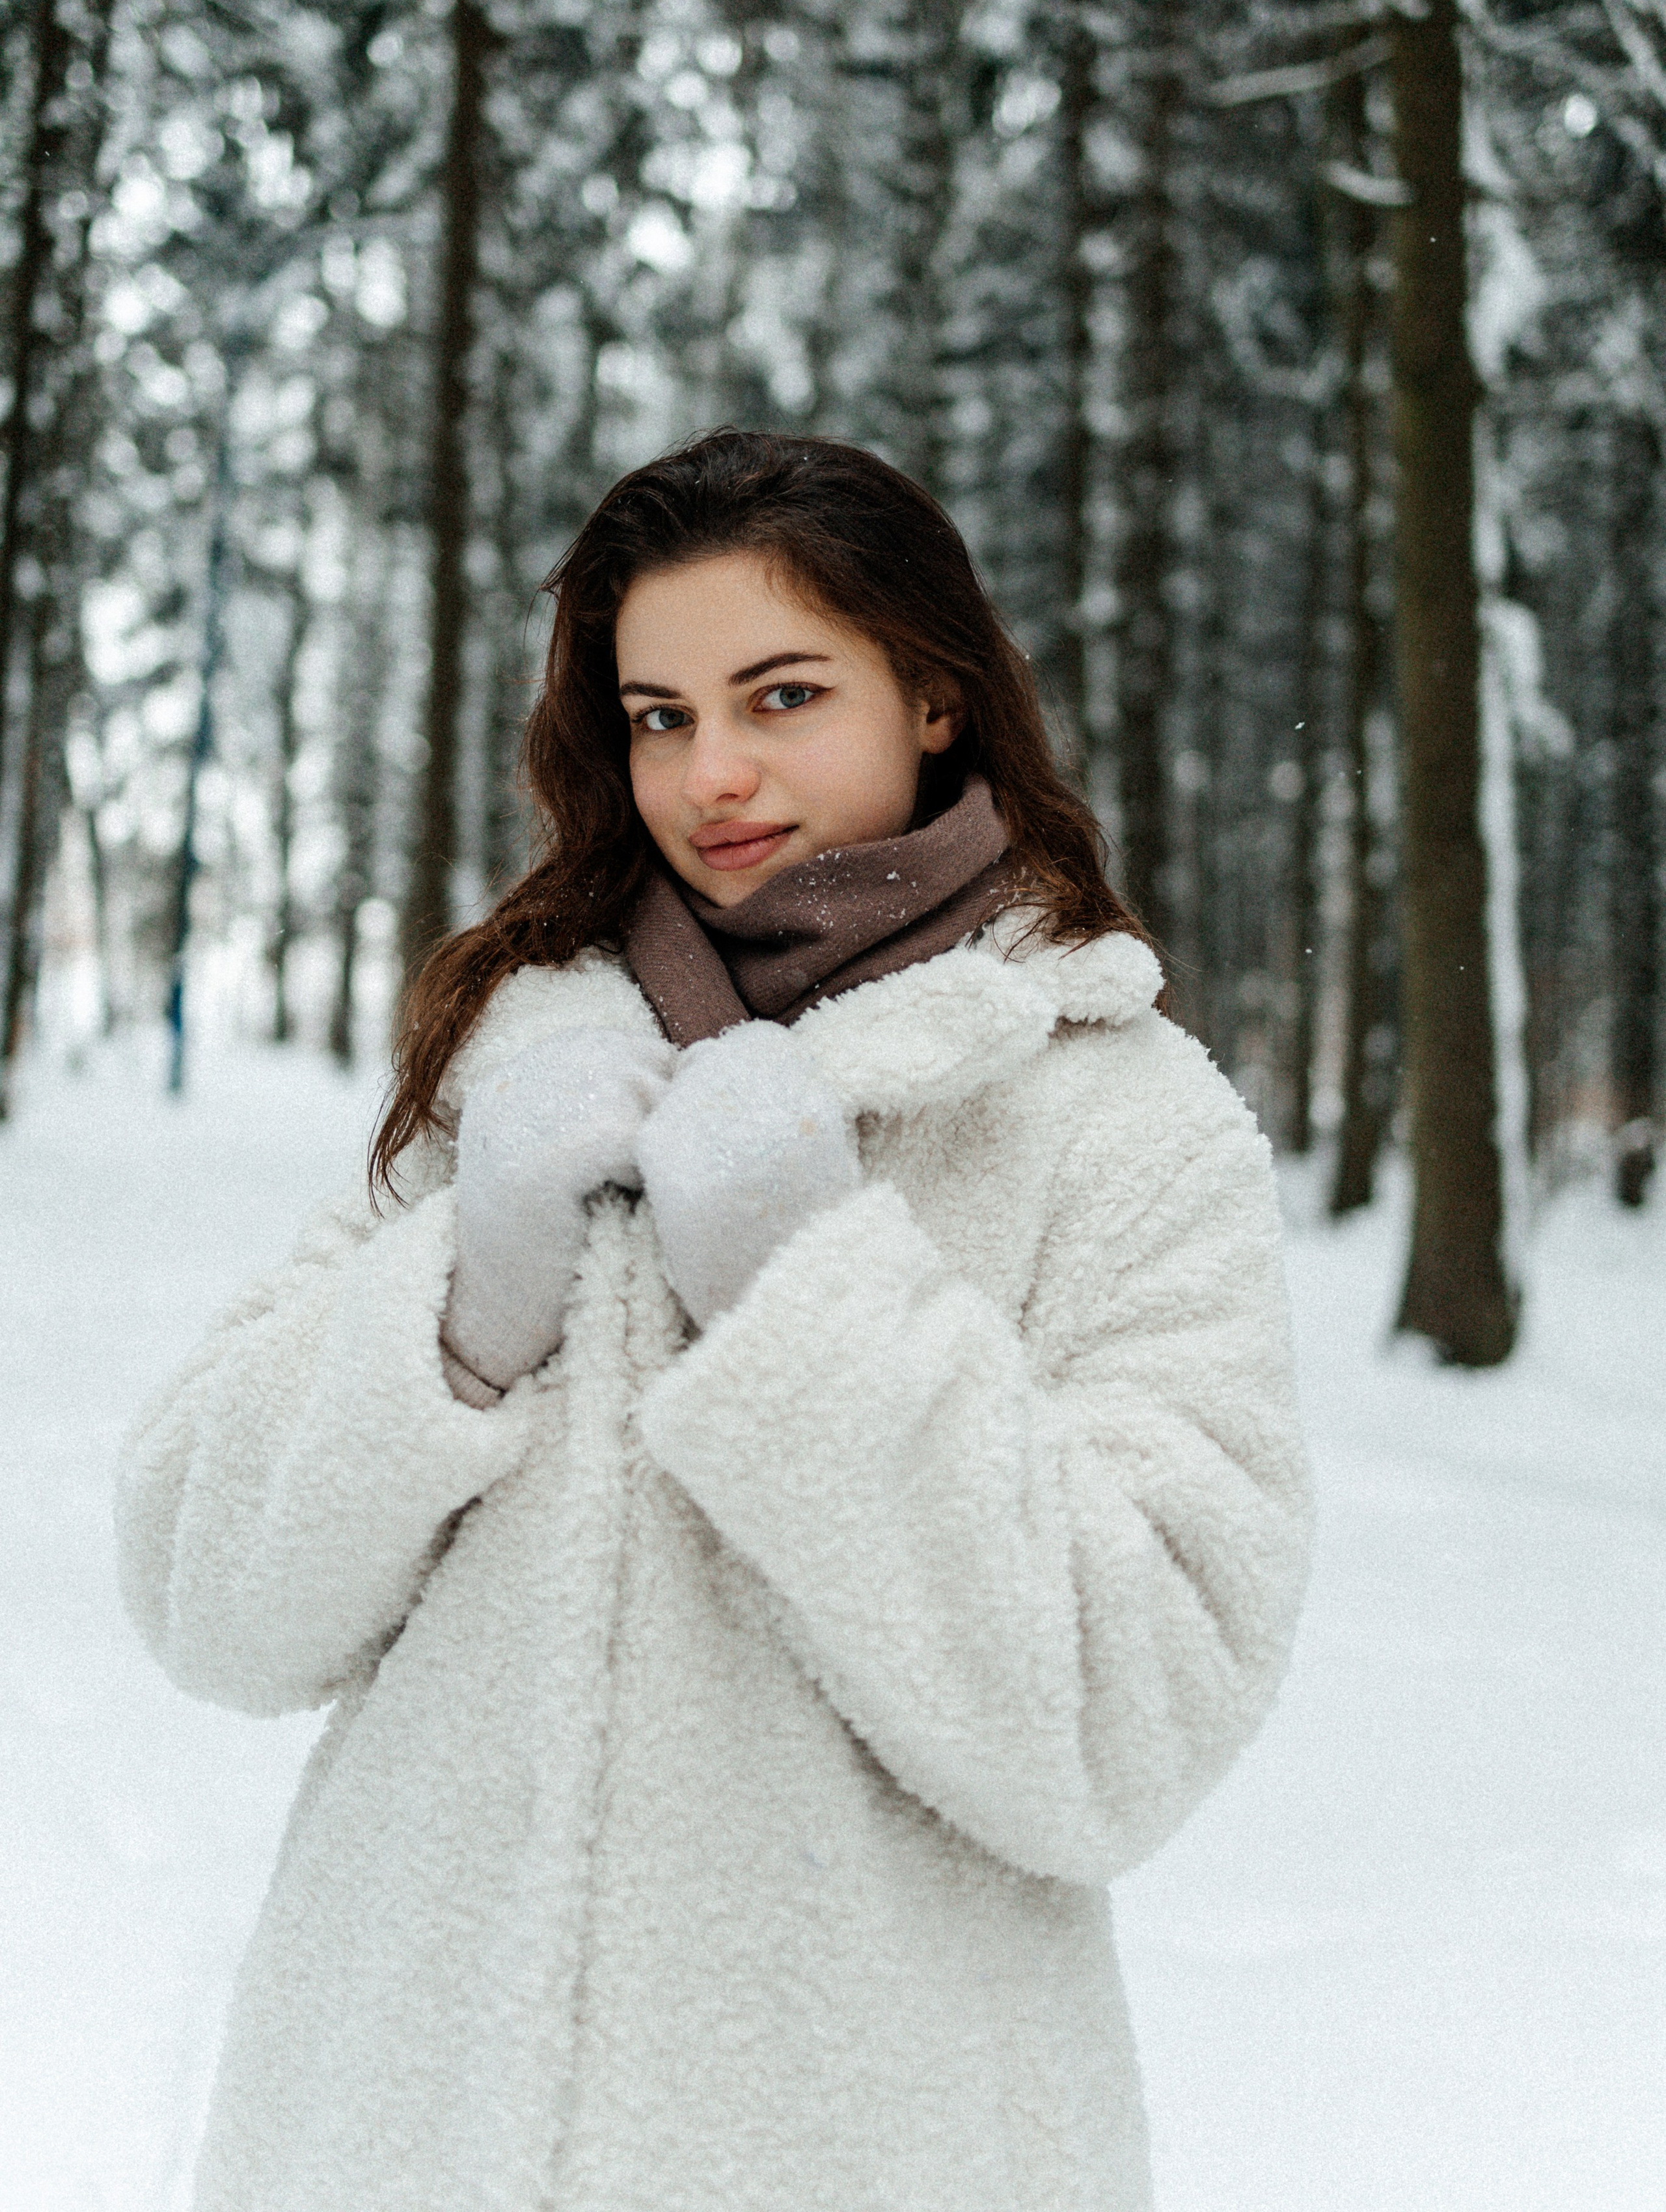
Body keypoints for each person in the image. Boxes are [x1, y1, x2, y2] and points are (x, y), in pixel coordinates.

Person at [116, 428, 1310, 2212]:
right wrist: (459, 1301)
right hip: (396, 2135)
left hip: (874, 2150)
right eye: (661, 714)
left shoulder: (1114, 1122)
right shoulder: (518, 1069)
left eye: (780, 695)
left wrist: (809, 1294)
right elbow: (202, 1596)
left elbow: (1124, 1717)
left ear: (934, 696)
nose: (713, 774)